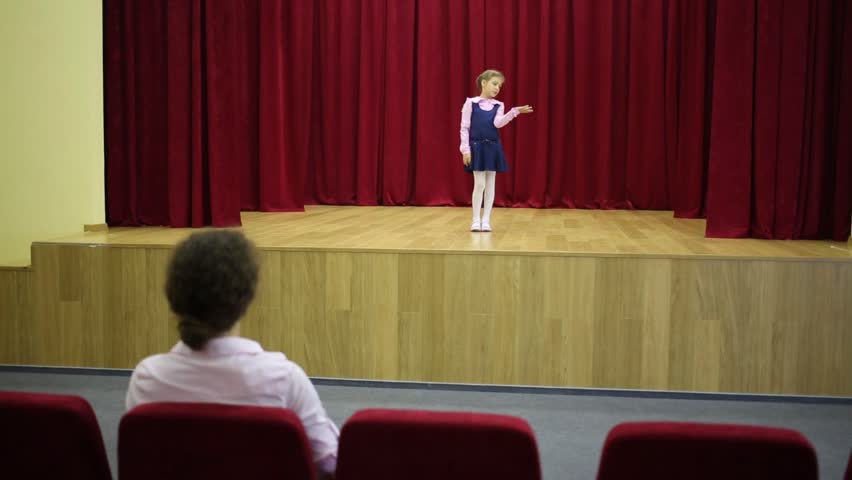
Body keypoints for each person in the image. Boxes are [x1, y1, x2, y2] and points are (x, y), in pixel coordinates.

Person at [126, 230, 338, 478]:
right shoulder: (282, 379)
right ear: (248, 296)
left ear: (174, 296)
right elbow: (330, 464)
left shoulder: (147, 380)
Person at [460, 69, 533, 232]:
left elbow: (498, 123)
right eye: (494, 83)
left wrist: (514, 112)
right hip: (477, 147)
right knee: (479, 184)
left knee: (491, 183)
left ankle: (486, 220)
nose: (497, 88)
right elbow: (464, 127)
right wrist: (465, 150)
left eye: (499, 86)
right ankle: (475, 219)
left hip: (493, 147)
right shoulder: (471, 103)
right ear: (483, 83)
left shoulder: (498, 105)